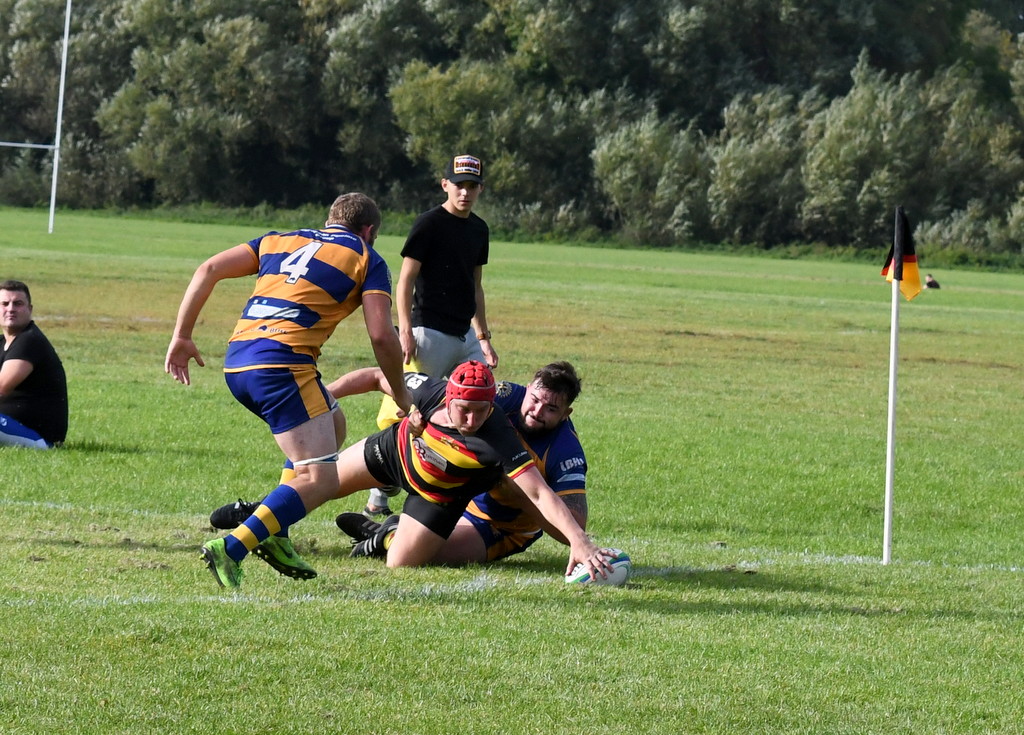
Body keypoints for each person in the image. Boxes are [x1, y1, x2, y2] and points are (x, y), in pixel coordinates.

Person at [164, 192, 412, 588]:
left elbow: (208, 268)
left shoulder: (279, 239)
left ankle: (276, 532)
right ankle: (233, 546)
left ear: (330, 219)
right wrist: (401, 394)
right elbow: (382, 335)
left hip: (238, 361)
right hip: (283, 366)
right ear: (368, 231)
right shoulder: (367, 258)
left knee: (333, 423)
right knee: (322, 479)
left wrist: (182, 336)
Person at [203, 360, 612, 587]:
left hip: (444, 496)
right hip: (395, 453)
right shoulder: (450, 392)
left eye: (551, 409)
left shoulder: (508, 437)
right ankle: (260, 514)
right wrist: (323, 400)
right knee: (317, 481)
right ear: (449, 396)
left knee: (402, 563)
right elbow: (378, 375)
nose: (471, 419)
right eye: (463, 408)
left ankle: (386, 534)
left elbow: (541, 495)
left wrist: (580, 542)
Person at [334, 361, 588, 565]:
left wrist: (517, 492)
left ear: (566, 414)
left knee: (416, 559)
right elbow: (455, 402)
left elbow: (574, 521)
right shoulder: (505, 396)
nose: (537, 411)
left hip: (496, 523)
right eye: (535, 399)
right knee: (323, 479)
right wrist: (420, 416)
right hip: (458, 488)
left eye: (551, 409)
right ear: (527, 388)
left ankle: (389, 535)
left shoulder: (566, 451)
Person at [364, 154, 497, 518]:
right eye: (459, 185)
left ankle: (461, 485)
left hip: (465, 335)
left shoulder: (479, 229)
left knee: (479, 403)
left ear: (480, 189)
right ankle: (380, 490)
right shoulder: (429, 223)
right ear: (445, 185)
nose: (465, 193)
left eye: (472, 186)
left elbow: (476, 286)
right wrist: (405, 330)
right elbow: (405, 280)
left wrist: (483, 337)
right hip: (428, 332)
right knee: (408, 409)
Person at [0, 280, 68, 449]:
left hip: (39, 438)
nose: (10, 309)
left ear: (30, 309)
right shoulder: (3, 342)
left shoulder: (30, 341)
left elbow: (1, 387)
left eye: (18, 304)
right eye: (4, 304)